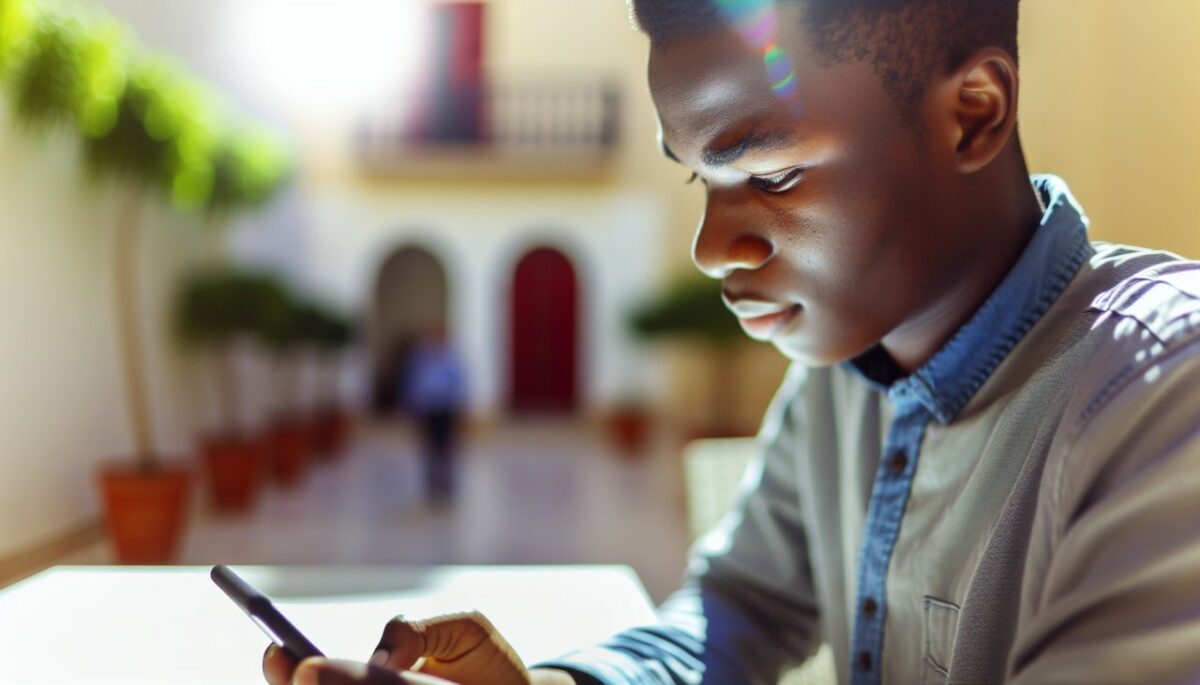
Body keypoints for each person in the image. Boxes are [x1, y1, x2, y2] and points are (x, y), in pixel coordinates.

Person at [263, 0, 1200, 683]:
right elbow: (739, 610)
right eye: (700, 183)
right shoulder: (841, 380)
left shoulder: (1166, 396)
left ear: (975, 113)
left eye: (777, 173)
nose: (713, 249)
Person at [402, 326, 467, 501]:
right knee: (428, 449)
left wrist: (461, 411)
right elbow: (413, 384)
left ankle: (446, 486)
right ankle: (431, 486)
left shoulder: (451, 360)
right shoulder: (421, 360)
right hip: (427, 410)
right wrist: (412, 409)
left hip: (446, 410)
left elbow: (459, 385)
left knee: (446, 448)